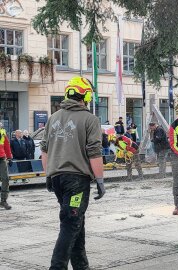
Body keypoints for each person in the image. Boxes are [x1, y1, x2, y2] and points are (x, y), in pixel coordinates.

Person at [40, 76, 105, 269]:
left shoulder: (53, 118)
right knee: (71, 225)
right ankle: (57, 267)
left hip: (57, 179)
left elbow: (44, 150)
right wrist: (100, 181)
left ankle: (81, 266)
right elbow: (94, 153)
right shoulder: (90, 119)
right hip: (76, 181)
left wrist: (49, 175)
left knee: (76, 222)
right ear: (84, 96)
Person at [0, 122, 12, 210]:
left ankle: (3, 200)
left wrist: (9, 157)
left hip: (2, 158)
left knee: (6, 178)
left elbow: (7, 145)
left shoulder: (3, 132)